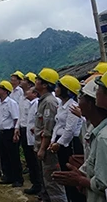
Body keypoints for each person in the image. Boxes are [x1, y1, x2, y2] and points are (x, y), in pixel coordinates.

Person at [52, 73, 107, 202]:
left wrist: (80, 180)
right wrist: (82, 173)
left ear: (91, 103)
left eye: (81, 97)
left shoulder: (103, 138)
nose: (78, 102)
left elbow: (102, 183)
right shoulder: (96, 131)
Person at [49, 75, 85, 202]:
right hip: (61, 141)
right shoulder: (62, 105)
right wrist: (53, 141)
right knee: (65, 173)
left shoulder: (72, 106)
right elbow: (57, 125)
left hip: (70, 144)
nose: (56, 89)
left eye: (59, 87)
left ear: (65, 90)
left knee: (71, 172)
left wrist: (59, 143)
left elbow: (69, 130)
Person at [33, 68, 67, 202]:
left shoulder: (49, 102)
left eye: (38, 80)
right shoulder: (43, 100)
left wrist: (42, 148)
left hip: (47, 148)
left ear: (45, 85)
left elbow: (48, 129)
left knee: (52, 180)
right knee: (45, 179)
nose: (35, 82)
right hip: (41, 145)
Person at [0, 80, 24, 187]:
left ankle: (18, 178)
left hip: (9, 132)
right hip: (1, 132)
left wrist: (16, 133)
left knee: (13, 156)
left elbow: (16, 118)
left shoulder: (11, 103)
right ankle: (8, 176)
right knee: (4, 155)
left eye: (0, 88)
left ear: (5, 91)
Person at [20, 72, 42, 195]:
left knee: (36, 163)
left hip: (35, 137)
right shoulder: (30, 103)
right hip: (29, 135)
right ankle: (36, 184)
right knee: (31, 161)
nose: (26, 93)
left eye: (29, 91)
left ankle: (38, 185)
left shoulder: (36, 103)